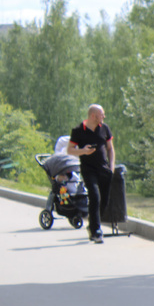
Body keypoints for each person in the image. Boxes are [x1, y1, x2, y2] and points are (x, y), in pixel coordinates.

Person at [67, 104, 115, 244]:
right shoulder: (78, 130)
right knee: (94, 196)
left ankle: (92, 225)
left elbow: (110, 149)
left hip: (104, 169)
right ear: (93, 116)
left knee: (104, 201)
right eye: (102, 114)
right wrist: (83, 151)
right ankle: (96, 231)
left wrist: (111, 167)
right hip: (88, 170)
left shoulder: (104, 128)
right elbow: (70, 150)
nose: (104, 117)